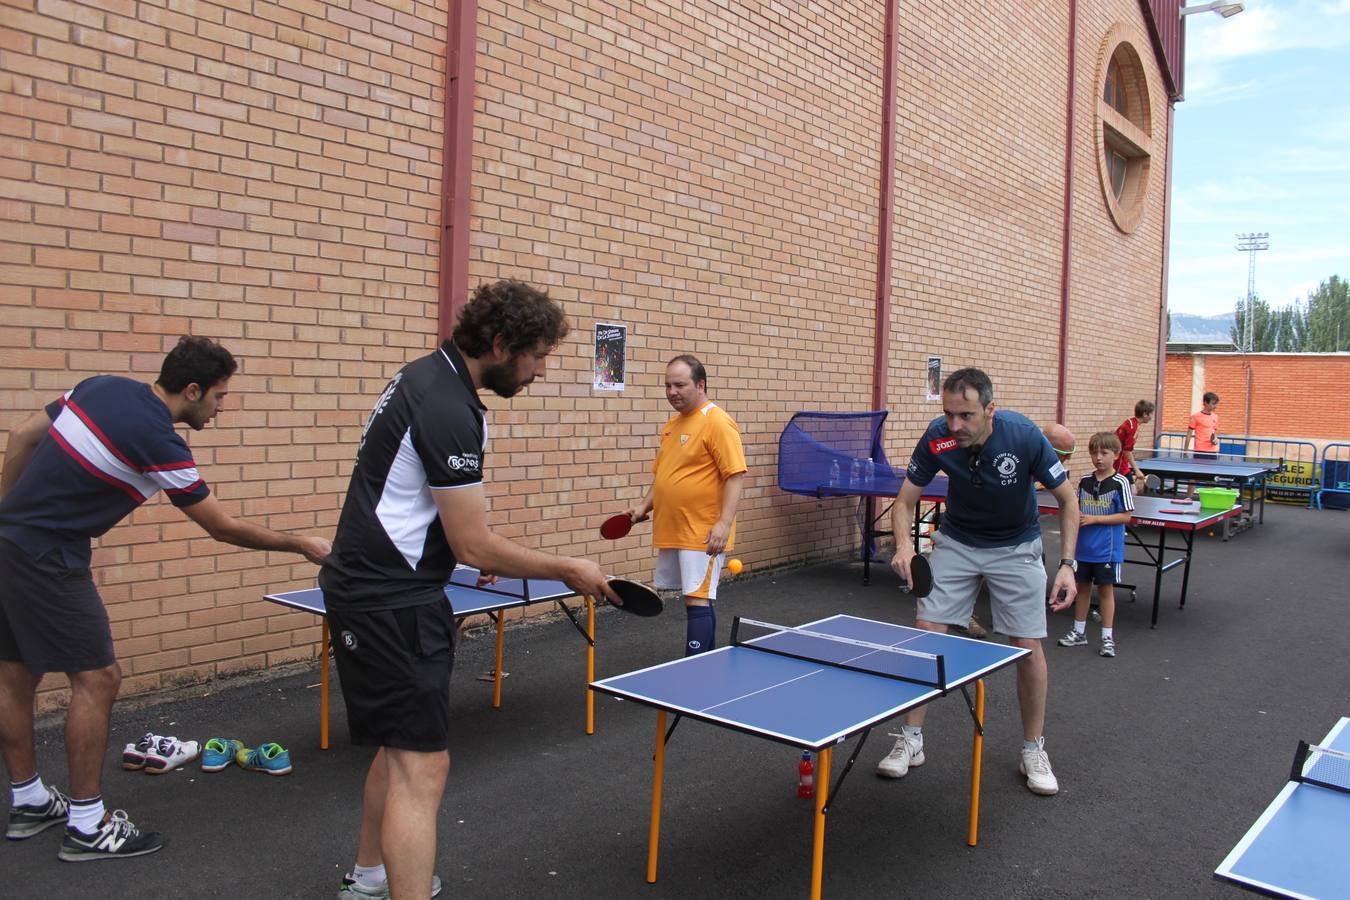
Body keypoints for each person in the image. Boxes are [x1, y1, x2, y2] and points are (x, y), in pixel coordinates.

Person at [321, 280, 618, 900]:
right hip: (392, 604)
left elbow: (420, 511)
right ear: (502, 343)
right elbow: (474, 545)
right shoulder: (448, 407)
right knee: (422, 768)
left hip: (369, 589)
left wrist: (460, 551)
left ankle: (371, 874)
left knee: (399, 751)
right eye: (536, 356)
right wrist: (567, 568)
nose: (538, 372)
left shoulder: (426, 377)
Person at [0, 336, 332, 861]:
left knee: (15, 673)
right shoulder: (162, 442)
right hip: (50, 556)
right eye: (218, 398)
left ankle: (30, 801)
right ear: (192, 389)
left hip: (9, 543)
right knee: (98, 678)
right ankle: (87, 826)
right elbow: (221, 528)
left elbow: (21, 437)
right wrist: (301, 544)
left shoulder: (99, 387)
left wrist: (7, 516)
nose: (220, 410)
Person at [876, 368, 1079, 795]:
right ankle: (911, 740)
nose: (955, 425)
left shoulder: (1022, 436)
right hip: (958, 542)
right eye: (949, 414)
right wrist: (904, 547)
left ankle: (1033, 748)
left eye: (966, 415)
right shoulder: (939, 437)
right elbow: (904, 502)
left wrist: (1067, 564)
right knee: (927, 632)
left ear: (990, 409)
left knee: (1026, 648)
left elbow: (1067, 500)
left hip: (1016, 546)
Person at [623, 355, 747, 657]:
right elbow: (665, 474)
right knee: (697, 596)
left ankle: (695, 673)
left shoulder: (718, 422)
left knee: (696, 597)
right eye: (667, 385)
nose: (672, 391)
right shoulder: (672, 425)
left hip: (702, 531)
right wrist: (643, 507)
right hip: (674, 527)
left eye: (680, 384)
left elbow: (735, 475)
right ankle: (710, 662)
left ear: (700, 385)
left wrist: (723, 524)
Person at [1057, 432, 1133, 658]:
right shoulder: (1085, 481)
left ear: (1116, 455)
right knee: (1082, 589)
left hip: (1107, 550)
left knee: (1106, 592)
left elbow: (1126, 516)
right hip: (1084, 549)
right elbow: (1076, 509)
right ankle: (1079, 632)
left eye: (1104, 453)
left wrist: (1095, 519)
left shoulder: (1121, 483)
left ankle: (1107, 638)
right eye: (1094, 453)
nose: (1098, 457)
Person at [1115, 400, 1155, 494]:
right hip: (1118, 464)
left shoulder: (1131, 422)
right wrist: (1136, 470)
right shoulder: (1132, 428)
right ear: (1145, 414)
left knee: (1133, 491)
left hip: (1122, 463)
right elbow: (1126, 450)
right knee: (1128, 492)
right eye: (1151, 414)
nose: (1151, 417)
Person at [1183, 392, 1220, 458]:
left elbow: (1214, 433)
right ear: (1205, 402)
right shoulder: (1195, 417)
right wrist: (1185, 451)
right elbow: (1188, 435)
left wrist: (1216, 440)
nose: (1215, 406)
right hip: (1200, 451)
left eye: (1216, 404)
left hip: (1212, 452)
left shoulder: (1216, 417)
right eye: (1213, 403)